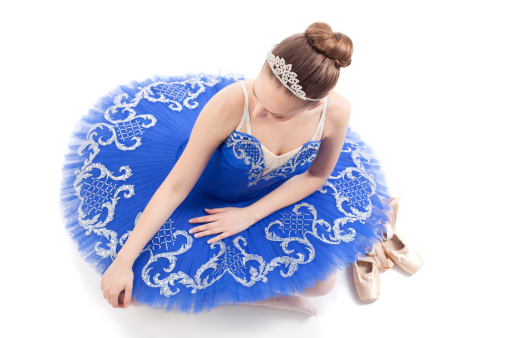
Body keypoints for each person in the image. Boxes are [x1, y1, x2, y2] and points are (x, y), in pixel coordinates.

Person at [60, 22, 396, 316]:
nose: (261, 112)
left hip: (266, 196)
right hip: (198, 193)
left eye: (278, 114)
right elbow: (176, 187)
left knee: (322, 285)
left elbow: (316, 175)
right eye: (258, 96)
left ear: (316, 105)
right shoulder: (230, 102)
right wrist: (122, 262)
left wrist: (250, 214)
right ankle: (247, 296)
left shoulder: (334, 112)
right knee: (144, 285)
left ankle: (247, 294)